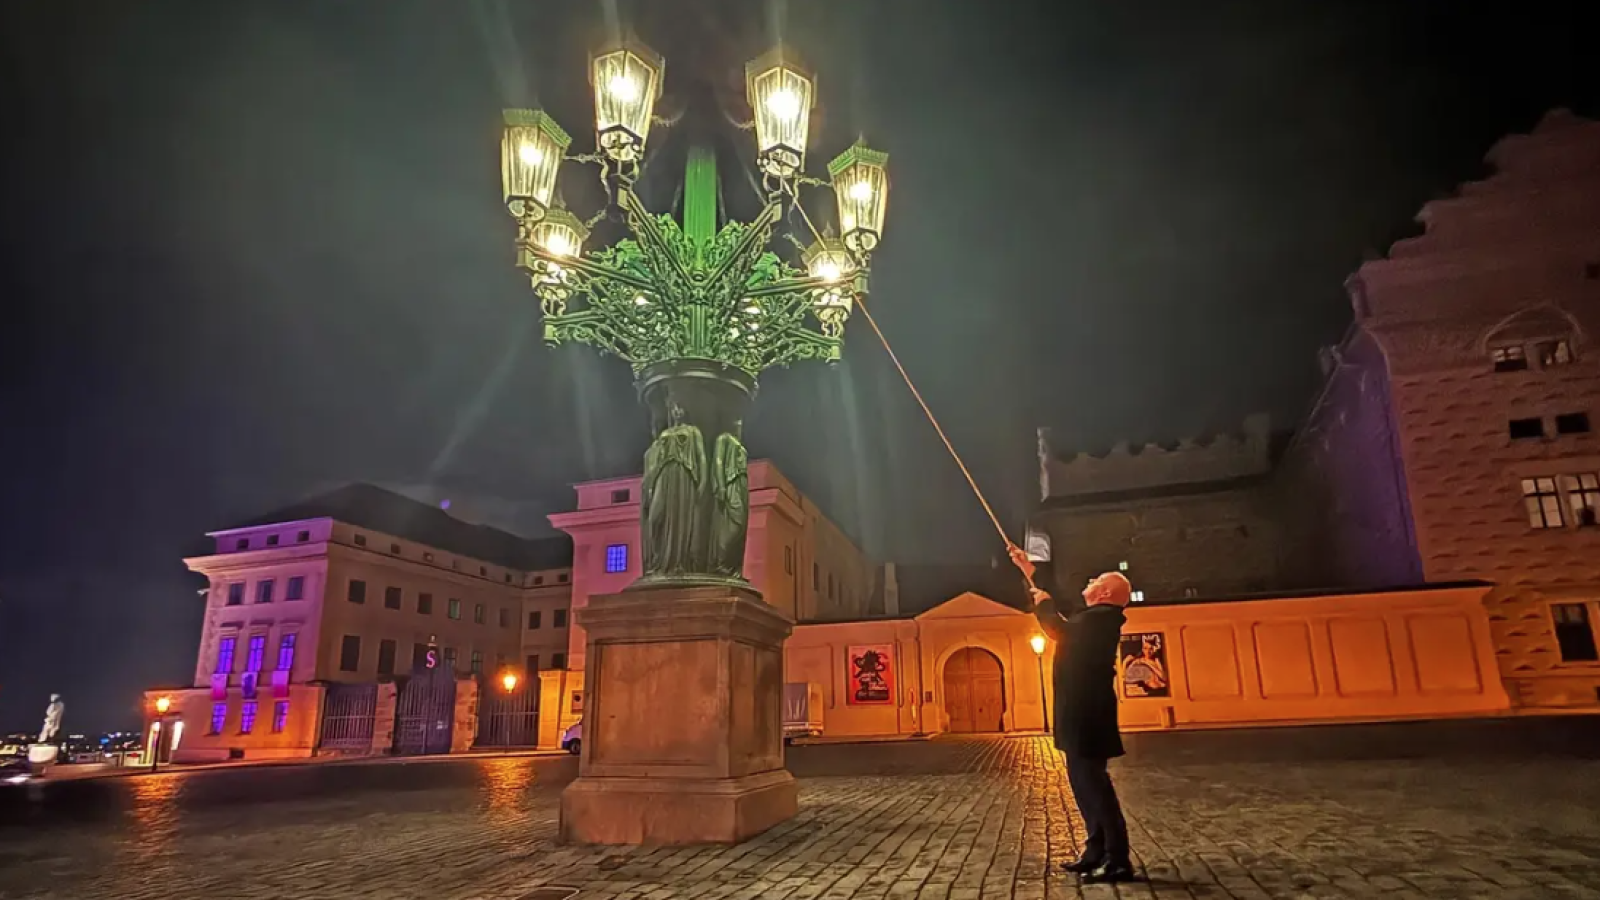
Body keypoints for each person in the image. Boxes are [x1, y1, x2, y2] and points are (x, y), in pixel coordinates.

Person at [1010, 547, 1136, 884]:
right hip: (1078, 712)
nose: (1090, 581)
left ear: (1106, 593)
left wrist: (1042, 606)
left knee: (1095, 786)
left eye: (1097, 581)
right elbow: (1065, 610)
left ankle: (1118, 858)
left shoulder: (1103, 619)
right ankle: (1095, 849)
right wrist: (1029, 569)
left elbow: (1058, 627)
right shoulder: (1093, 618)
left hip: (1087, 714)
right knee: (1082, 784)